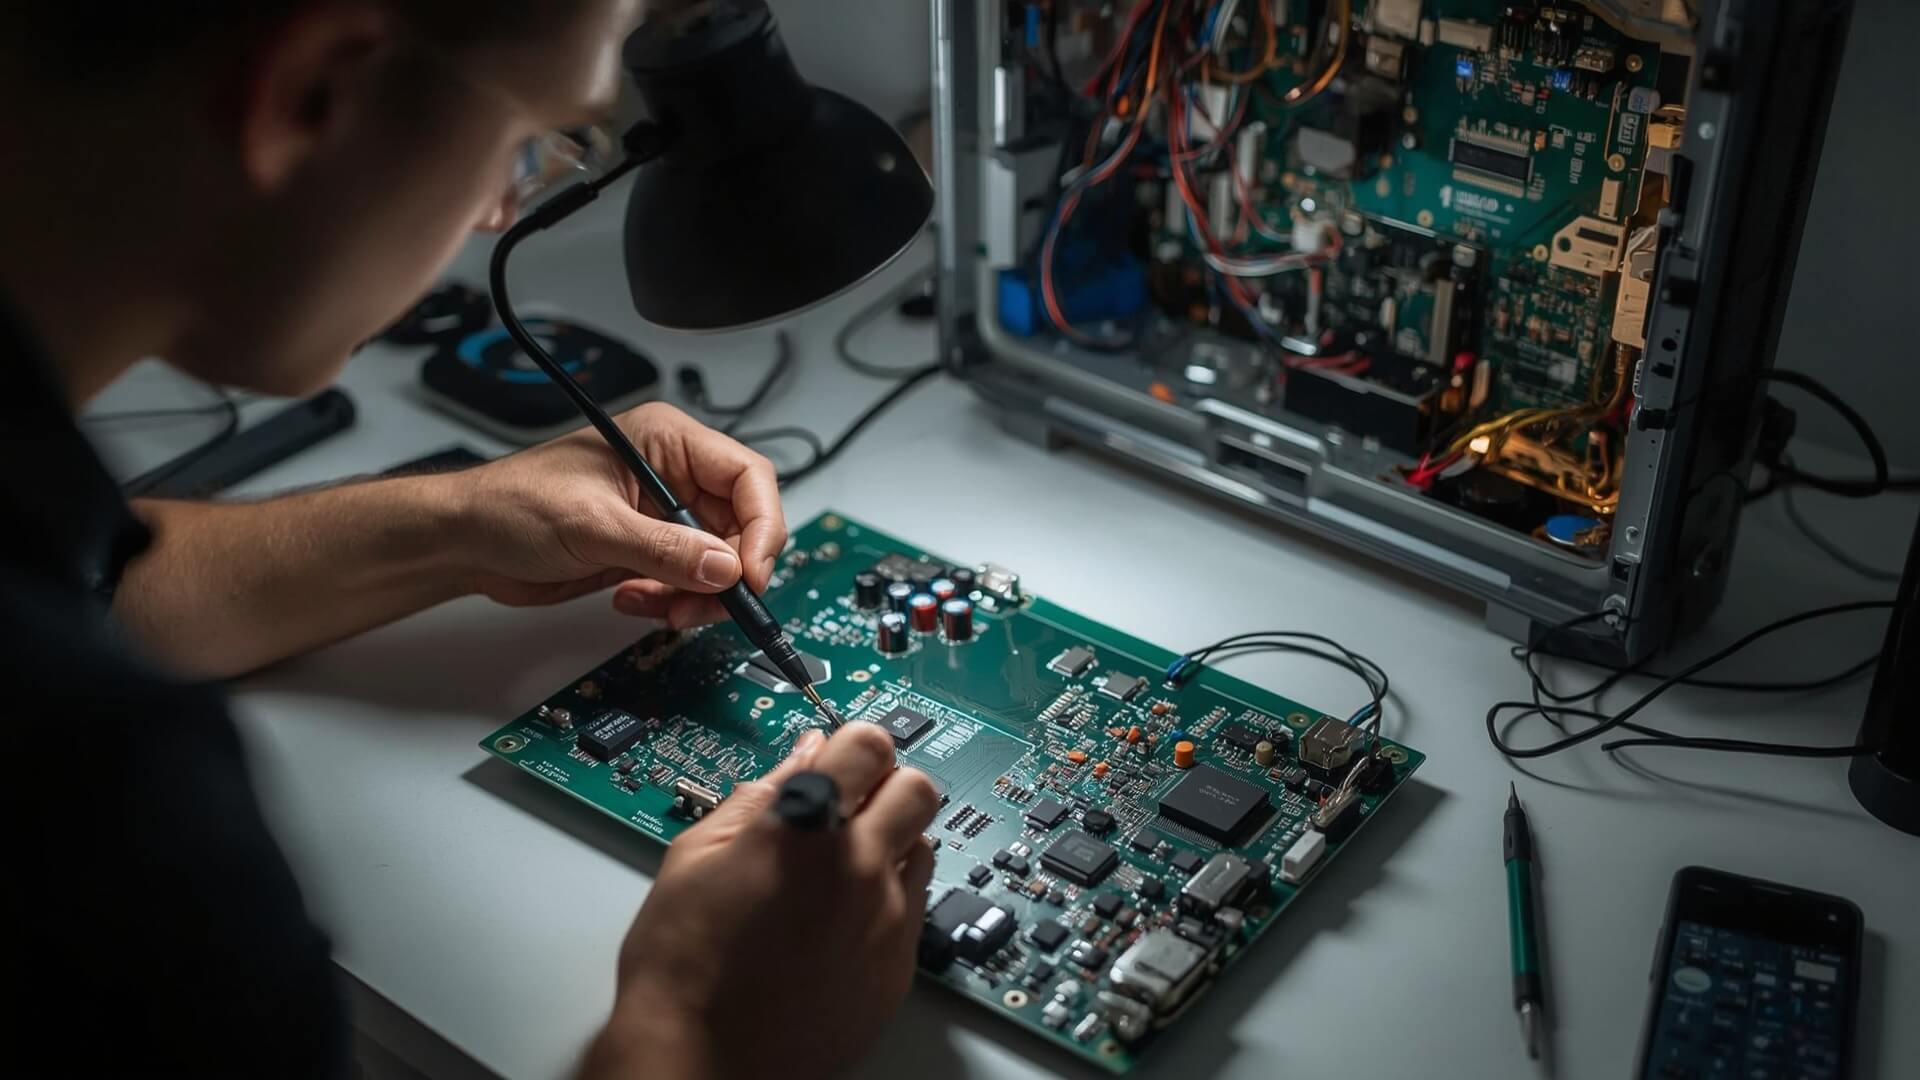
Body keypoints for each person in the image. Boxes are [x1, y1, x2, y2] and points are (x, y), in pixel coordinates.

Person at [0, 3, 941, 1077]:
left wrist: (459, 519)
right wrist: (694, 1032)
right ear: (312, 95)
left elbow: (101, 578)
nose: (499, 216)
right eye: (527, 142)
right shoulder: (95, 812)